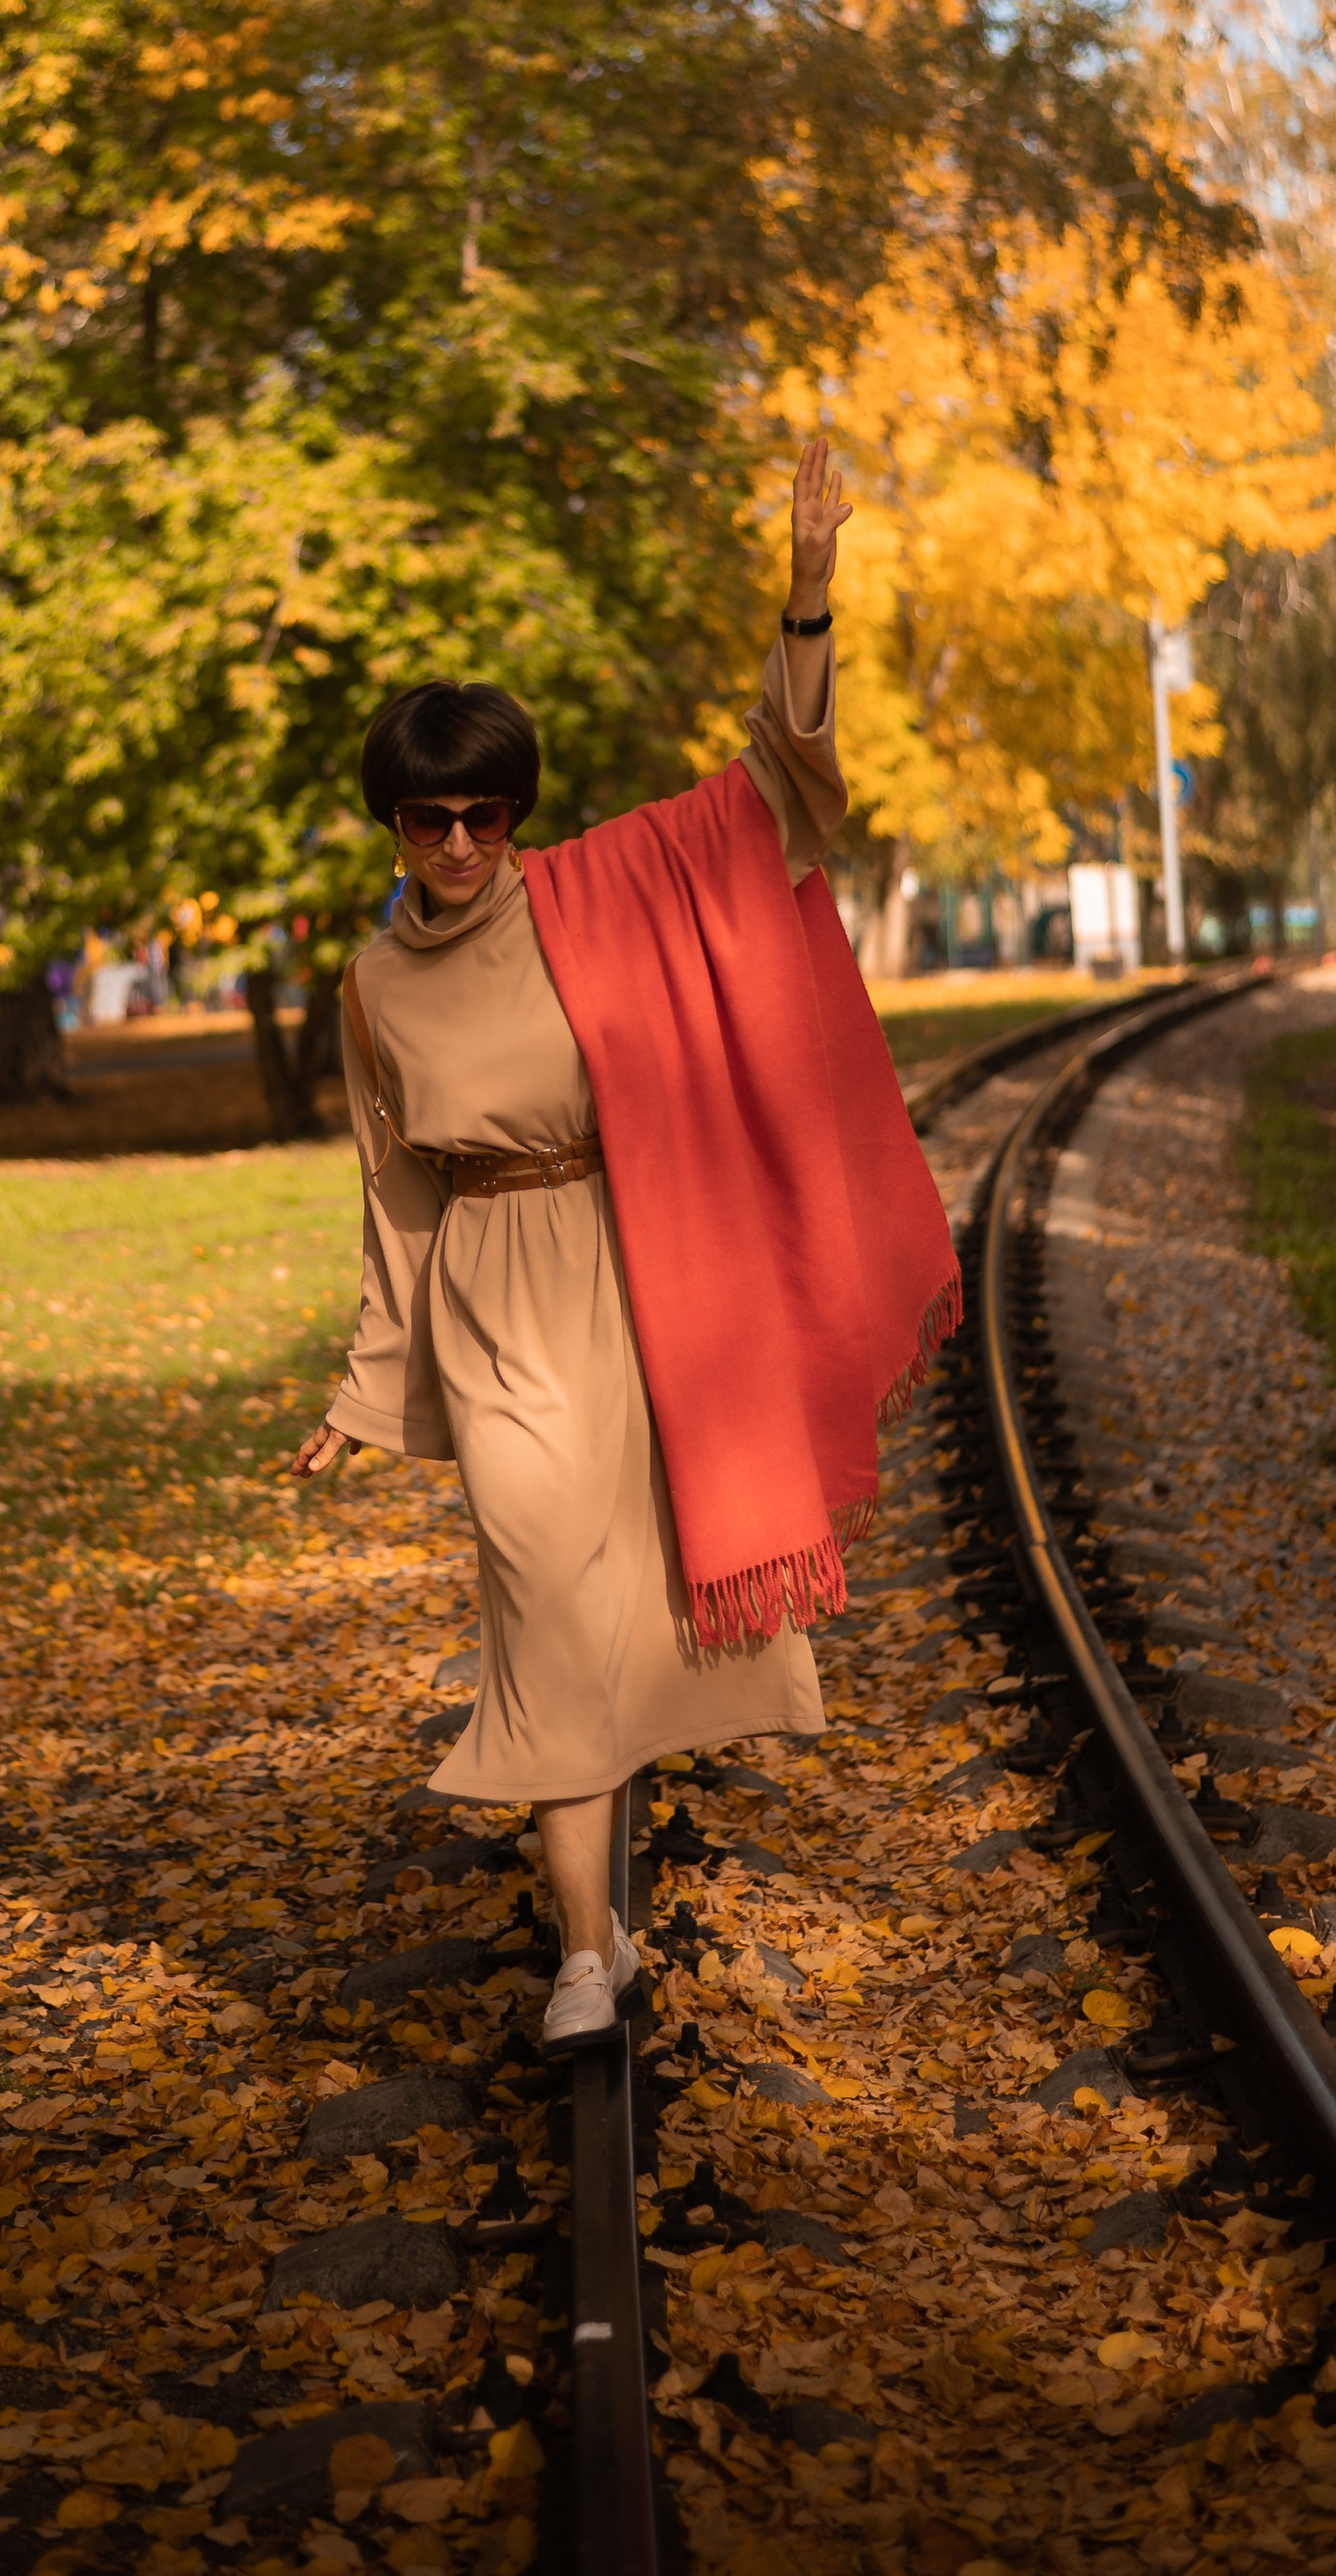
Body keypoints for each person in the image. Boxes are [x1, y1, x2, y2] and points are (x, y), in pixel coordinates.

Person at [290, 442, 955, 2045]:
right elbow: (396, 1195)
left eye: (487, 813)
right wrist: (365, 1390)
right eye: (431, 818)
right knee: (538, 1610)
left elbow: (774, 794)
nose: (462, 844)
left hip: (646, 1271)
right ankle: (589, 1954)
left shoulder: (606, 888)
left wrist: (807, 595)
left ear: (516, 815)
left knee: (632, 1610)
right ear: (390, 825)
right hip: (496, 1305)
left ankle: (603, 1929)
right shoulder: (376, 990)